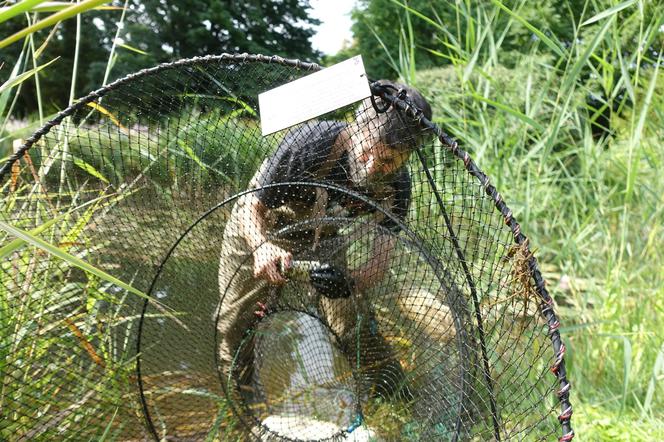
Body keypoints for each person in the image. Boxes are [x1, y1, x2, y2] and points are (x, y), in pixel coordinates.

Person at [217, 81, 435, 404]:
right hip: (264, 222)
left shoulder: (397, 188)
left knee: (353, 322)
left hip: (323, 235)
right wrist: (262, 247)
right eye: (367, 150)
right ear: (356, 128)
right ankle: (245, 405)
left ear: (405, 159)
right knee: (235, 322)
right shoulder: (311, 143)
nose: (373, 166)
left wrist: (350, 281)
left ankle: (396, 398)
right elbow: (253, 207)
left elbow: (379, 261)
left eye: (388, 161)